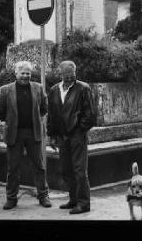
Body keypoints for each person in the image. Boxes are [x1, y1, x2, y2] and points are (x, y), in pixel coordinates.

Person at [0, 61, 51, 210]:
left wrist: (34, 120)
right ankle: (11, 198)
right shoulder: (5, 90)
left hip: (34, 133)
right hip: (15, 133)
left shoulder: (38, 88)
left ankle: (43, 195)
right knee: (13, 168)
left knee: (39, 166)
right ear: (16, 74)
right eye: (23, 73)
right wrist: (11, 121)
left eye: (28, 73)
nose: (25, 76)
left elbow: (44, 108)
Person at [47, 60, 96, 214]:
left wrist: (79, 130)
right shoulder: (54, 90)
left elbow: (91, 115)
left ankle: (84, 203)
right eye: (66, 75)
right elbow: (52, 114)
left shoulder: (83, 88)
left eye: (72, 75)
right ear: (60, 74)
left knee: (80, 171)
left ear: (75, 73)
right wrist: (52, 135)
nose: (69, 78)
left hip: (76, 135)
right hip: (61, 136)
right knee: (66, 170)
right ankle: (73, 199)